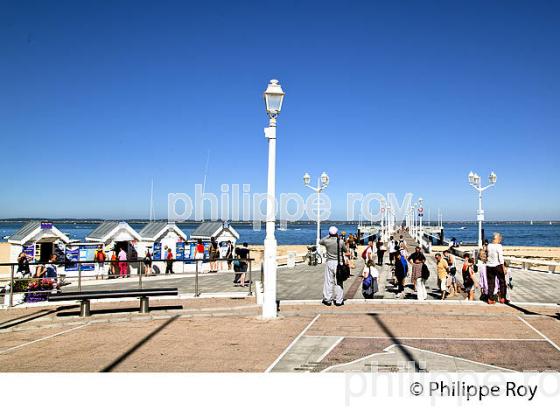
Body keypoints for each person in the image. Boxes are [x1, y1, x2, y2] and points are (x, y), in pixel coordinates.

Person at [319, 226, 348, 307]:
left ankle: (327, 300)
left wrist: (328, 235)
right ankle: (339, 301)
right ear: (337, 233)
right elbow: (345, 250)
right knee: (339, 282)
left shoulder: (326, 241)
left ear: (329, 233)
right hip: (339, 263)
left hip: (329, 262)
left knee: (328, 282)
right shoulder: (341, 241)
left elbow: (320, 241)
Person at [486, 232, 507, 304]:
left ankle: (490, 298)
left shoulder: (489, 245)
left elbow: (487, 255)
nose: (500, 240)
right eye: (500, 238)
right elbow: (500, 257)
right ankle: (503, 298)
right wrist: (503, 267)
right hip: (497, 265)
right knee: (502, 282)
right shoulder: (499, 246)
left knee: (491, 283)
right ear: (497, 239)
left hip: (489, 266)